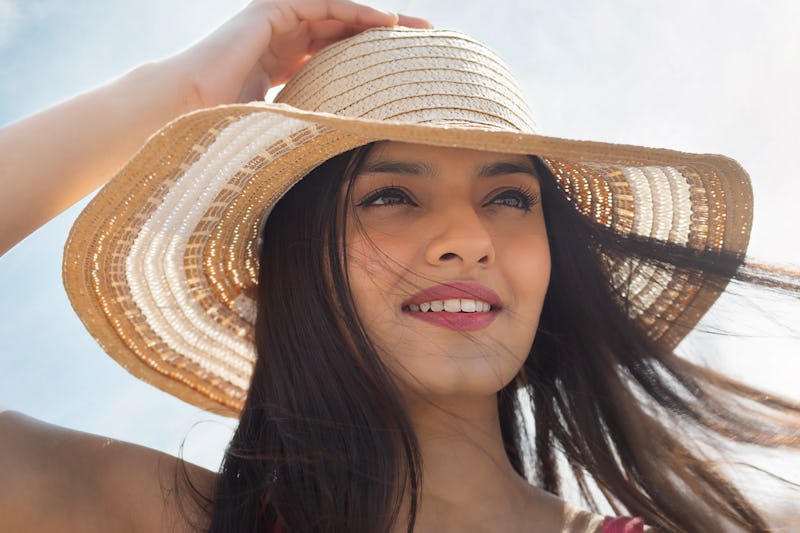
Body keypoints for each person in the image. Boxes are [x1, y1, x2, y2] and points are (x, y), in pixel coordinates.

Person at [0, 1, 798, 531]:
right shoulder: (162, 516)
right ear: (288, 265)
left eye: (511, 199)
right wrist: (172, 93)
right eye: (389, 196)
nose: (467, 237)